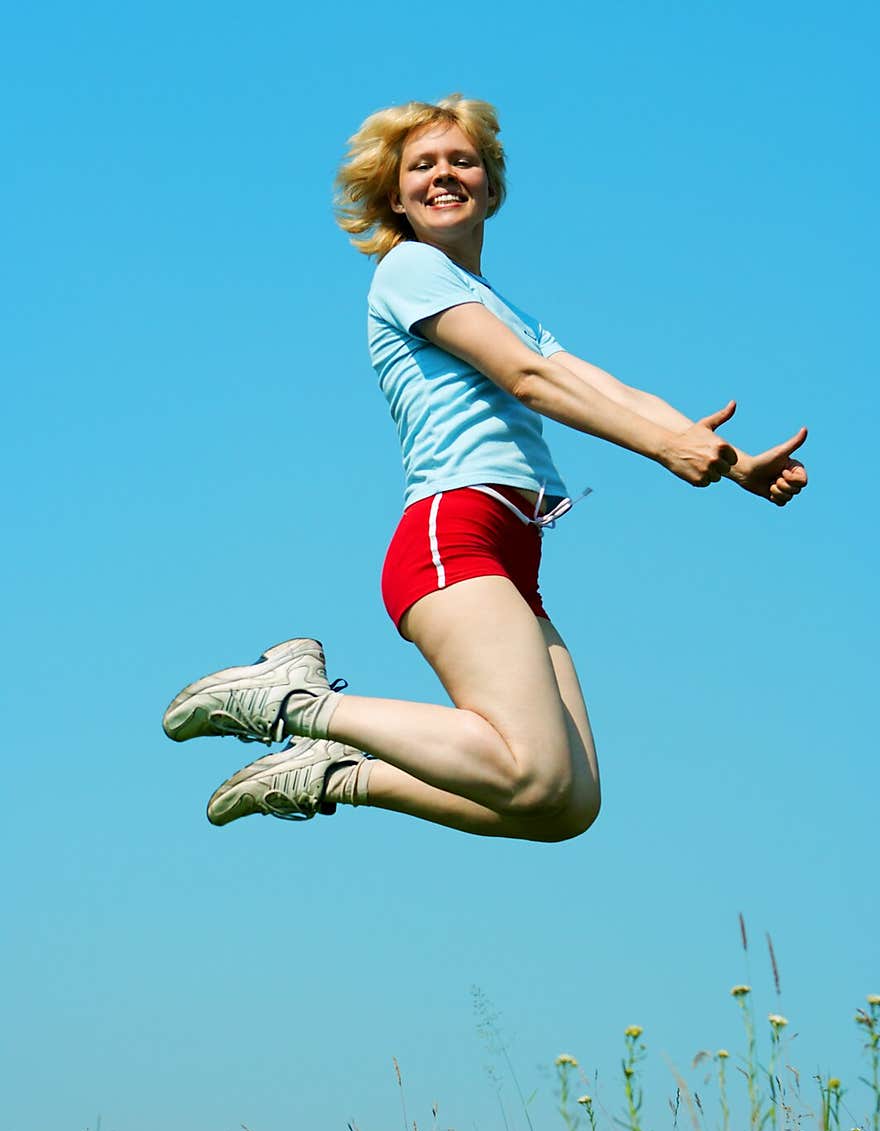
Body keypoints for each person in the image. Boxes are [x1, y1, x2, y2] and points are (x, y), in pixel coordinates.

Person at [162, 94, 808, 842]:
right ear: (396, 195)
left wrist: (732, 464)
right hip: (453, 532)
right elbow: (526, 379)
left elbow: (609, 388)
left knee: (564, 802)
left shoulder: (503, 306)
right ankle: (295, 701)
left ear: (492, 189)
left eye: (461, 161)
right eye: (422, 165)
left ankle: (334, 772)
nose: (443, 175)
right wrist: (664, 449)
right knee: (529, 768)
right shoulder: (409, 269)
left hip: (512, 550)